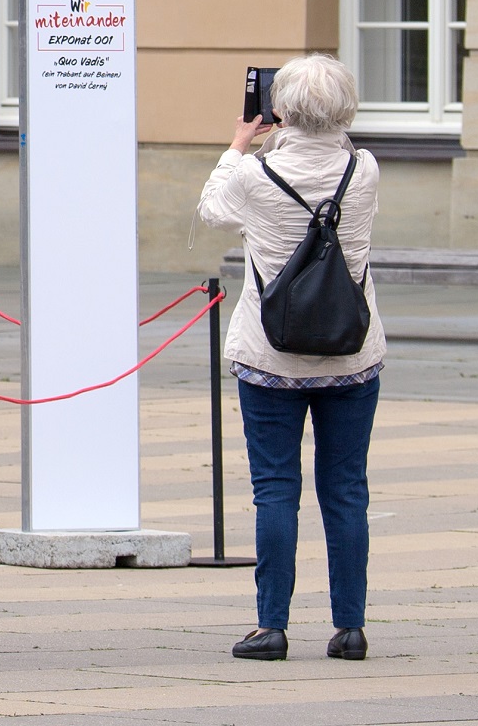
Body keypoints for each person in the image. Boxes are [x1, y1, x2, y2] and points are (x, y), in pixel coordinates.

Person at [199, 52, 383, 663]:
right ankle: (350, 627)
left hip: (269, 355)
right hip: (351, 351)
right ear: (345, 109)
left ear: (279, 110)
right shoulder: (365, 169)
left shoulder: (254, 175)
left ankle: (272, 626)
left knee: (275, 489)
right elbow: (337, 153)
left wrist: (238, 143)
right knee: (347, 488)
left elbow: (213, 209)